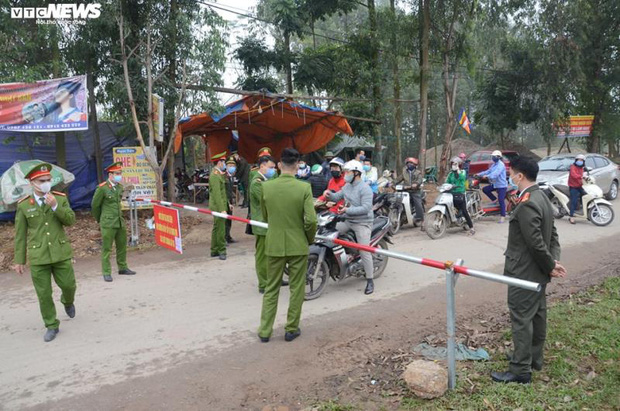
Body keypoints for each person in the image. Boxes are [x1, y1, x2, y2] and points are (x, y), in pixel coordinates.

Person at [491, 156, 566, 385]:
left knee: (522, 319)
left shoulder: (528, 202)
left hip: (523, 271)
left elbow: (535, 242)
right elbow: (552, 236)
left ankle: (520, 370)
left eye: (511, 173)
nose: (510, 177)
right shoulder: (541, 197)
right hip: (538, 271)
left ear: (520, 176)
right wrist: (552, 262)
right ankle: (533, 359)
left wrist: (551, 265)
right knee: (537, 315)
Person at [257, 148, 317, 343]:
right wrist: (307, 238)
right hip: (297, 244)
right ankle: (291, 329)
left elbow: (266, 217)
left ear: (280, 165)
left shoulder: (266, 187)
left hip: (273, 243)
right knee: (296, 288)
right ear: (298, 165)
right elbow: (311, 221)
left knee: (271, 288)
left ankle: (265, 331)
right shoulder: (304, 188)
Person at [13, 163, 77, 342]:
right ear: (32, 182)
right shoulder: (24, 205)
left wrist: (56, 207)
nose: (46, 183)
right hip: (38, 256)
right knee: (44, 294)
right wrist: (19, 260)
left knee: (69, 285)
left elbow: (71, 221)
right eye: (42, 181)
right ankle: (51, 324)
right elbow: (20, 235)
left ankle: (68, 301)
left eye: (49, 180)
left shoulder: (60, 199)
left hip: (60, 252)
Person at [324, 160, 375, 295]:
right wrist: (329, 194)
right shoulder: (347, 186)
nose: (345, 174)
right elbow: (337, 197)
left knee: (365, 251)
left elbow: (366, 208)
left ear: (356, 173)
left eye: (348, 172)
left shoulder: (365, 189)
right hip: (348, 220)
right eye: (345, 171)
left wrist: (347, 210)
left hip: (363, 222)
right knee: (329, 234)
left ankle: (370, 280)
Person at [91, 161, 136, 282]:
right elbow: (95, 206)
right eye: (117, 173)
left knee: (122, 245)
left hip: (119, 221)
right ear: (110, 175)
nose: (119, 175)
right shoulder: (102, 188)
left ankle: (122, 267)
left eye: (120, 173)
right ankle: (106, 272)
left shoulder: (120, 187)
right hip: (108, 223)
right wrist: (100, 219)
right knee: (107, 248)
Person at [249, 155, 278, 294]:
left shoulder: (267, 179)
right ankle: (263, 283)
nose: (274, 170)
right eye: (271, 168)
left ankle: (273, 279)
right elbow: (268, 200)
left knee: (272, 254)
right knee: (262, 255)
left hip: (269, 223)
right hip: (261, 224)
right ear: (262, 166)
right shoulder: (256, 182)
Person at [478, 150, 508, 223]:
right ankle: (494, 200)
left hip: (501, 185)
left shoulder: (501, 165)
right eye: (492, 156)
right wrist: (479, 174)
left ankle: (503, 216)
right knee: (485, 189)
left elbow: (495, 174)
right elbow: (488, 171)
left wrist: (487, 176)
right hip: (495, 184)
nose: (493, 158)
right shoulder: (494, 164)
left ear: (498, 157)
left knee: (501, 200)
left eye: (494, 156)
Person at [447, 157, 475, 235]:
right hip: (451, 194)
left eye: (455, 164)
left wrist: (458, 171)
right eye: (452, 164)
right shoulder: (451, 173)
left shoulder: (462, 172)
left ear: (459, 165)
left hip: (460, 194)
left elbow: (462, 178)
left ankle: (472, 228)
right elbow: (447, 182)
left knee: (464, 211)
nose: (453, 165)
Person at [209, 152, 229, 260]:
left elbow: (223, 193)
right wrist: (222, 209)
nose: (225, 164)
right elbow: (217, 194)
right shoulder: (215, 176)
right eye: (224, 162)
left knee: (216, 228)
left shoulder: (219, 174)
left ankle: (214, 249)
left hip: (220, 206)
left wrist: (228, 204)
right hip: (218, 207)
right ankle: (222, 250)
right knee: (221, 229)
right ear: (219, 163)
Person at [401, 157, 425, 229]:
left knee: (418, 204)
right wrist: (392, 183)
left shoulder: (418, 173)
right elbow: (398, 179)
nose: (409, 164)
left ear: (415, 165)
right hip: (406, 191)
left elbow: (419, 180)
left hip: (415, 191)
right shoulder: (404, 172)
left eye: (411, 163)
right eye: (408, 163)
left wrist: (416, 184)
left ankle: (422, 220)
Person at [568, 154, 586, 224]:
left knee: (586, 196)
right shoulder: (573, 167)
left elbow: (584, 175)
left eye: (581, 160)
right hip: (573, 186)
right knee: (574, 201)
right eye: (579, 160)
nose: (580, 161)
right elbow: (574, 175)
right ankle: (571, 216)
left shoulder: (582, 168)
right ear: (576, 160)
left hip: (579, 186)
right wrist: (581, 176)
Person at [225, 157, 237, 244]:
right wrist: (227, 202)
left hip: (230, 201)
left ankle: (228, 236)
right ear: (226, 166)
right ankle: (224, 238)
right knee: (224, 221)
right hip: (225, 202)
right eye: (230, 165)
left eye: (233, 165)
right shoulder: (224, 176)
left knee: (229, 220)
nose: (232, 167)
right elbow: (223, 192)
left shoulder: (231, 176)